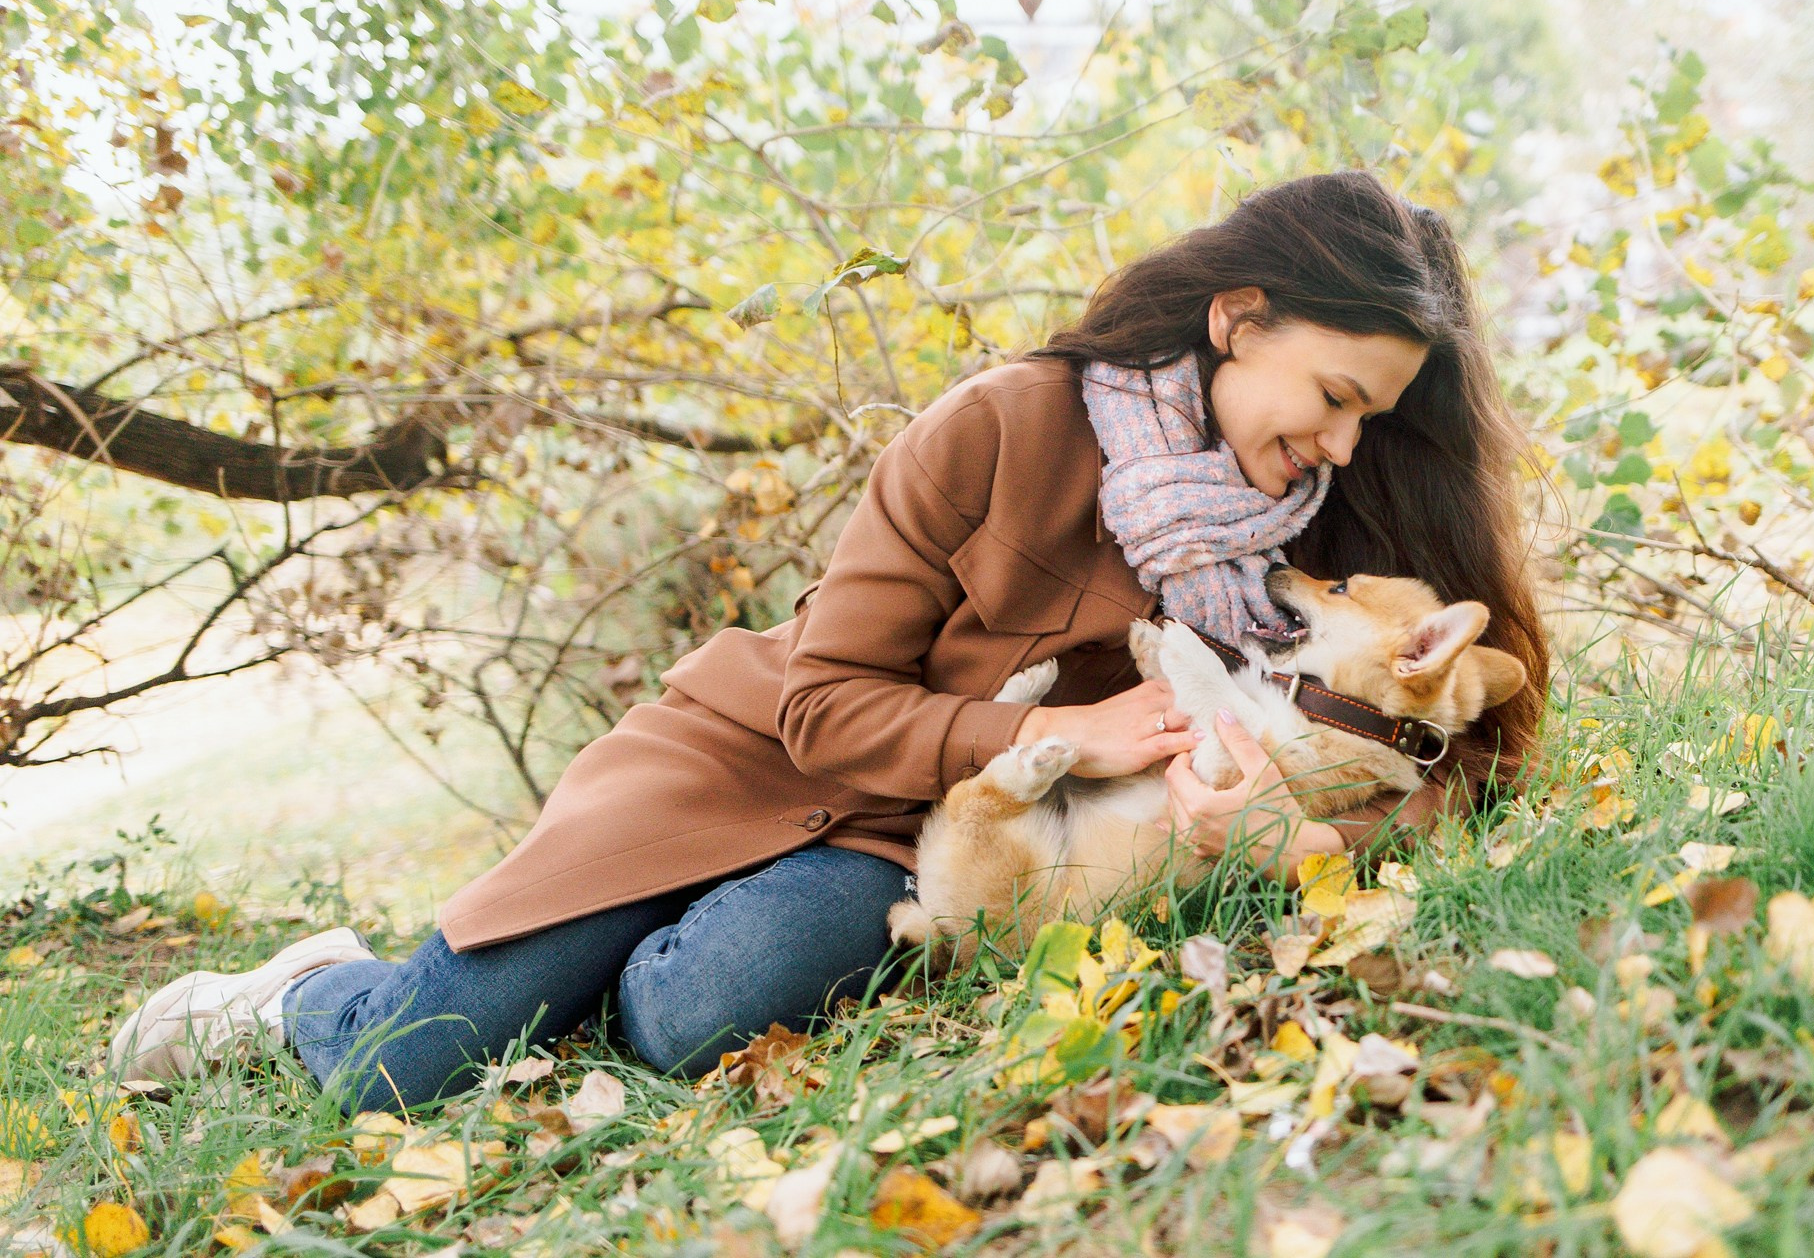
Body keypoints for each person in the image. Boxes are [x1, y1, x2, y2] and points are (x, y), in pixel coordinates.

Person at [107, 172, 1548, 1115]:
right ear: (1239, 319)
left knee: (688, 1022)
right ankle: (304, 988)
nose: (1345, 441)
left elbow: (1412, 726)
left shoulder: (1309, 546)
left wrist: (1242, 809)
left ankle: (586, 981)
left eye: (1371, 415)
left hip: (898, 844)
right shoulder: (1007, 423)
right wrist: (1056, 740)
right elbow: (822, 703)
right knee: (398, 1069)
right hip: (745, 760)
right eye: (1335, 393)